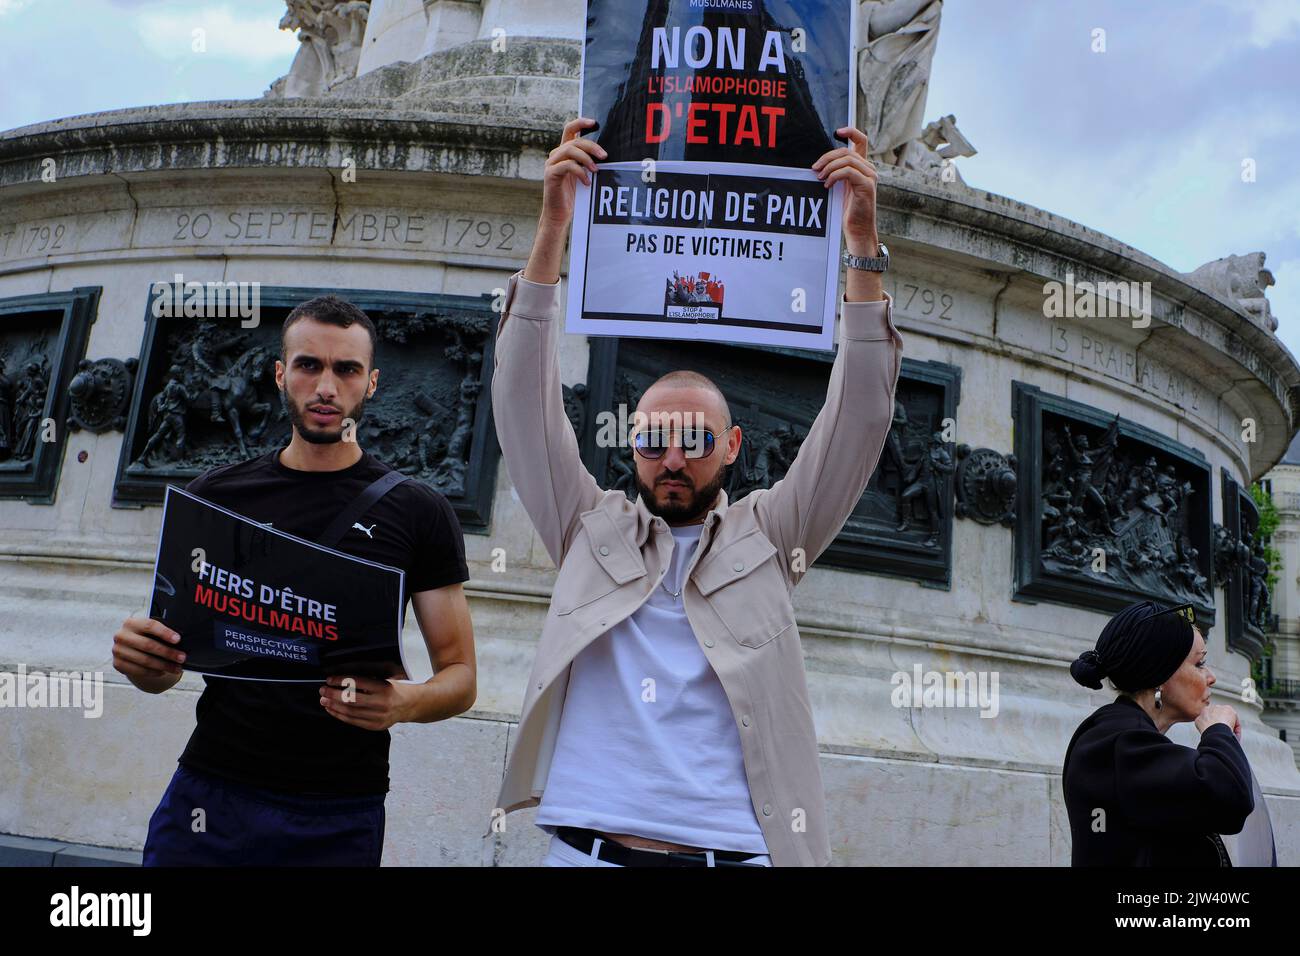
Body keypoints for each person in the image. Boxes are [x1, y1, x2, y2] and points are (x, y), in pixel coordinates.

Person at [490, 117, 903, 866]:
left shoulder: (775, 535)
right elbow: (520, 399)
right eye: (651, 440)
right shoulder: (586, 526)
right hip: (588, 852)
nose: (670, 458)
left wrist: (862, 247)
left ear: (734, 447)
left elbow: (861, 416)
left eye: (694, 440)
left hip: (732, 853)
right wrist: (553, 226)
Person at [112, 294, 477, 866]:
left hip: (337, 811)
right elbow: (165, 668)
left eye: (346, 369)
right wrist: (141, 661)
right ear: (281, 374)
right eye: (309, 365)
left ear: (372, 383)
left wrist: (402, 703)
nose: (326, 387)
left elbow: (460, 678)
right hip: (210, 795)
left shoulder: (420, 511)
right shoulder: (215, 497)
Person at [1063, 600, 1254, 866]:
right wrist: (1217, 731)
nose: (1211, 677)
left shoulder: (1125, 737)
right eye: (1200, 664)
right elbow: (1230, 800)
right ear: (1160, 674)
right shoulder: (1119, 742)